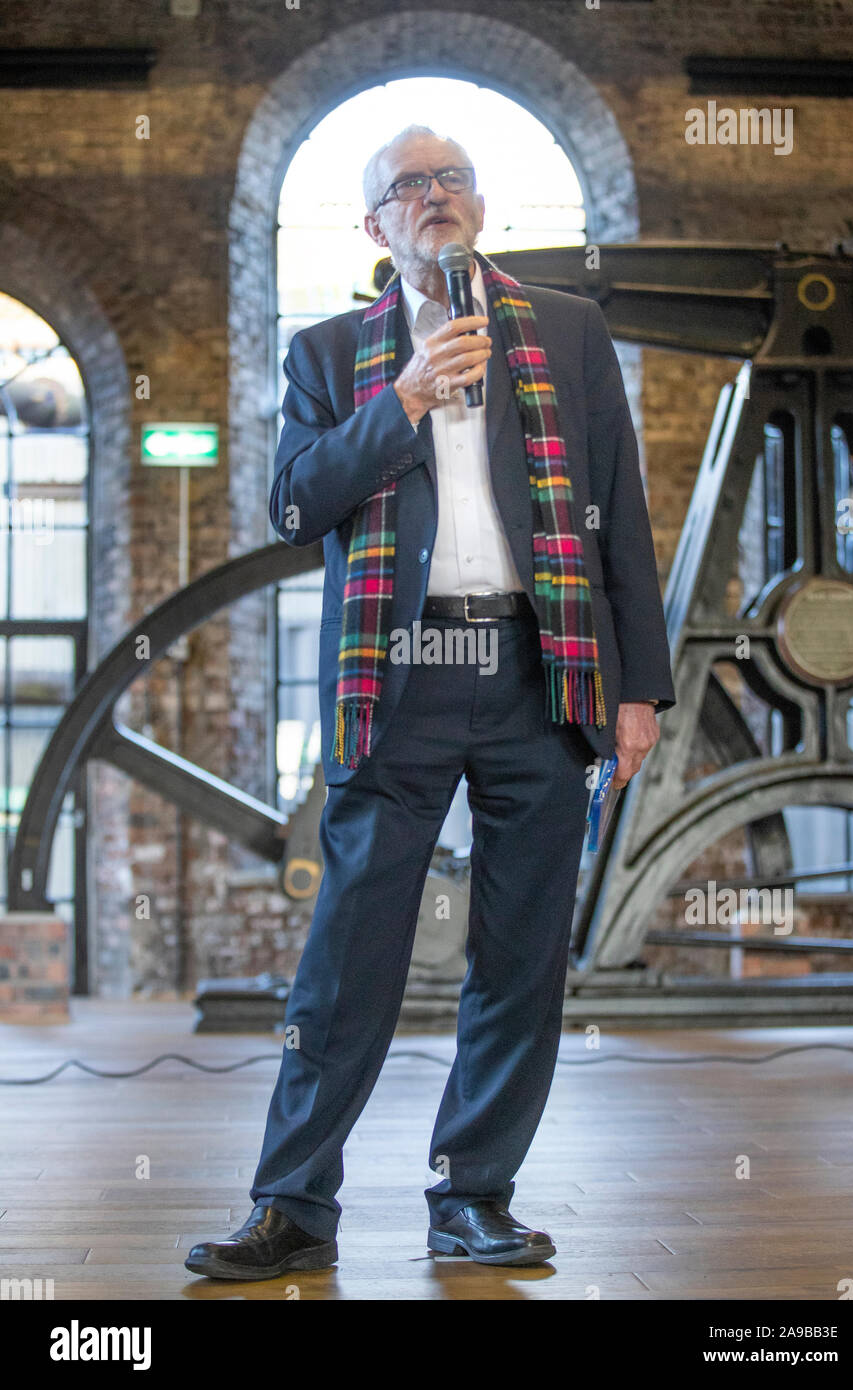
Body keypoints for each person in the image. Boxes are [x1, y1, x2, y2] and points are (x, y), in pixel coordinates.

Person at [186, 125, 675, 1281]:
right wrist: (402, 399)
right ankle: (294, 1202)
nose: (433, 198)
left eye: (450, 180)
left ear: (479, 205)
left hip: (538, 671)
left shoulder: (568, 330)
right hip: (391, 677)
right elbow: (297, 508)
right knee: (347, 955)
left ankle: (474, 1196)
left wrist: (638, 687)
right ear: (375, 228)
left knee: (519, 951)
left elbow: (622, 509)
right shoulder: (329, 351)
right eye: (407, 188)